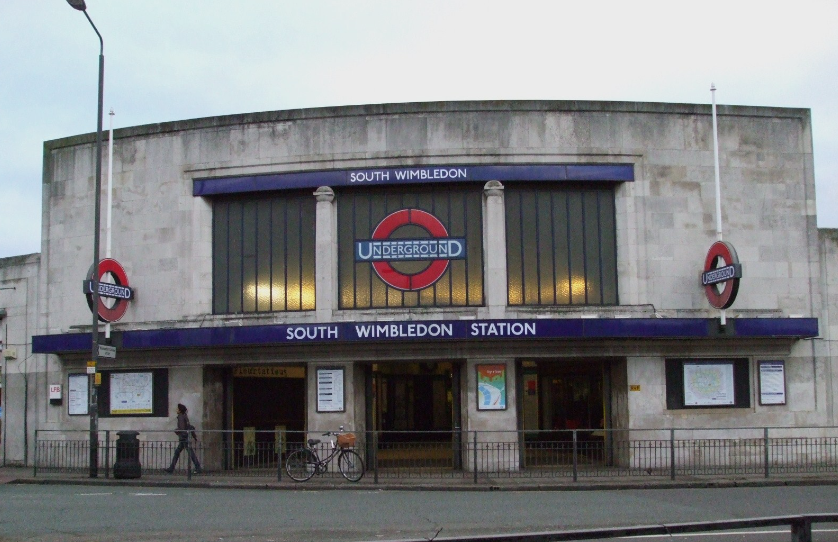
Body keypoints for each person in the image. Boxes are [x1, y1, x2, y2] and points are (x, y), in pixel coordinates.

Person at [165, 403, 202, 474]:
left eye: (177, 409)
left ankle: (198, 467)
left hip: (183, 438)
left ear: (180, 410)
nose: (176, 410)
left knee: (189, 453)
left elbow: (182, 428)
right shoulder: (185, 416)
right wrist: (194, 436)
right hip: (185, 437)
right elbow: (188, 426)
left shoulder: (181, 417)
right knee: (179, 452)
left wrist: (176, 430)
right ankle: (171, 468)